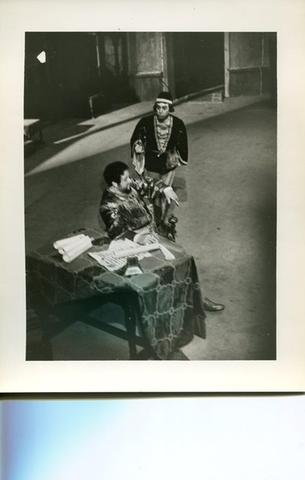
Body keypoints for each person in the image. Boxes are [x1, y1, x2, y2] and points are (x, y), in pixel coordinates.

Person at [100, 161, 225, 313]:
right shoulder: (108, 205)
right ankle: (192, 300)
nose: (130, 181)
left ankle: (195, 297)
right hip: (134, 245)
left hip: (152, 232)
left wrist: (165, 188)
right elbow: (116, 232)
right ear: (114, 183)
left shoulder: (127, 185)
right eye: (126, 178)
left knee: (182, 258)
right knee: (176, 261)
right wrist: (138, 238)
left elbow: (146, 182)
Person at [130, 91, 187, 225]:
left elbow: (182, 142)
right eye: (158, 107)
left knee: (167, 189)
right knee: (155, 191)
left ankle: (165, 218)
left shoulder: (178, 123)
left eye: (164, 108)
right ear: (155, 107)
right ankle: (157, 219)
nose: (160, 111)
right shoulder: (145, 121)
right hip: (151, 161)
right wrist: (138, 146)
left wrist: (179, 156)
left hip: (169, 162)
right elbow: (136, 137)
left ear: (170, 108)